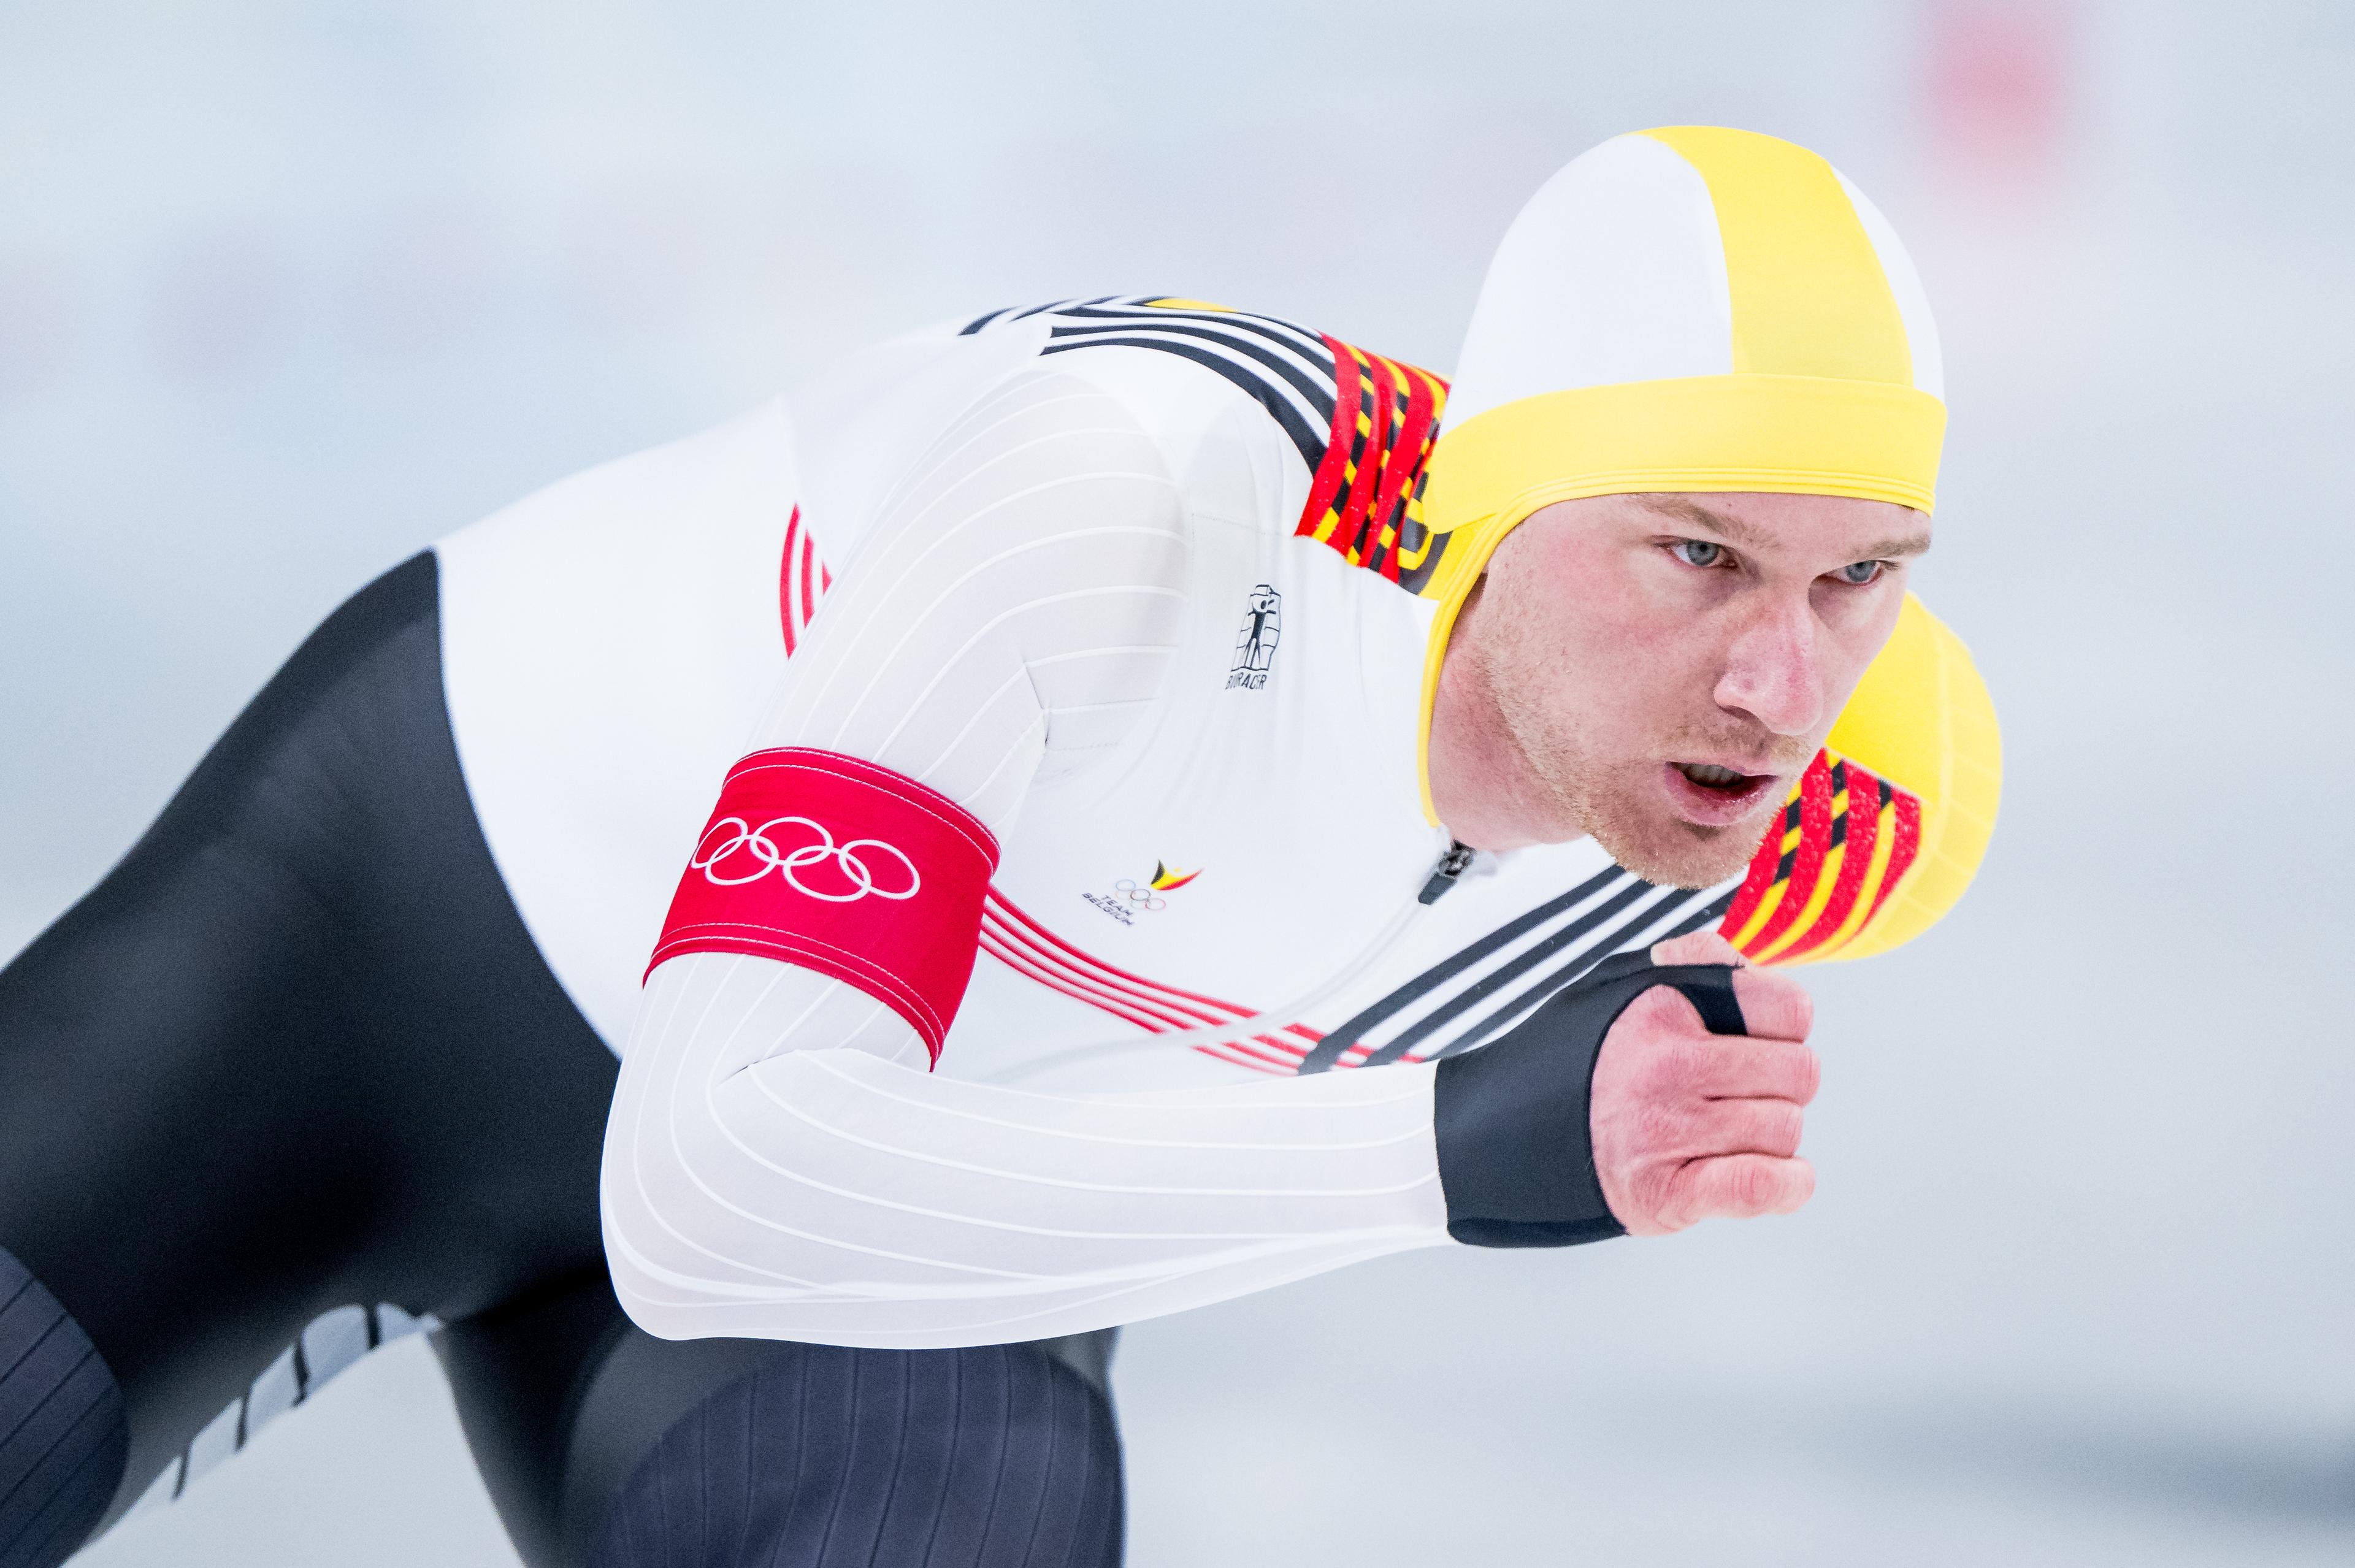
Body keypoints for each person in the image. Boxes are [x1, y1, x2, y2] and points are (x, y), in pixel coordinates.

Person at [0, 126, 1997, 1568]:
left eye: (1861, 580)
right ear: (1497, 484)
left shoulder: (1828, 810)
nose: (1774, 681)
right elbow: (705, 1183)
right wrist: (1448, 1150)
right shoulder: (1130, 485)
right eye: (1698, 553)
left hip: (883, 1233)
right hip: (384, 951)